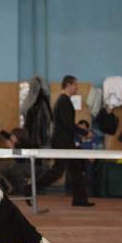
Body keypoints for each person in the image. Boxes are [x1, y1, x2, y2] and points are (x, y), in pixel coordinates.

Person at [34, 75, 94, 207]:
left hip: (65, 140)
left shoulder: (63, 101)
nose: (77, 87)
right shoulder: (64, 101)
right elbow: (68, 124)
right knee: (58, 171)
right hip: (63, 142)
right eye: (75, 85)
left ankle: (80, 199)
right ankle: (31, 188)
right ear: (68, 85)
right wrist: (85, 132)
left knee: (75, 169)